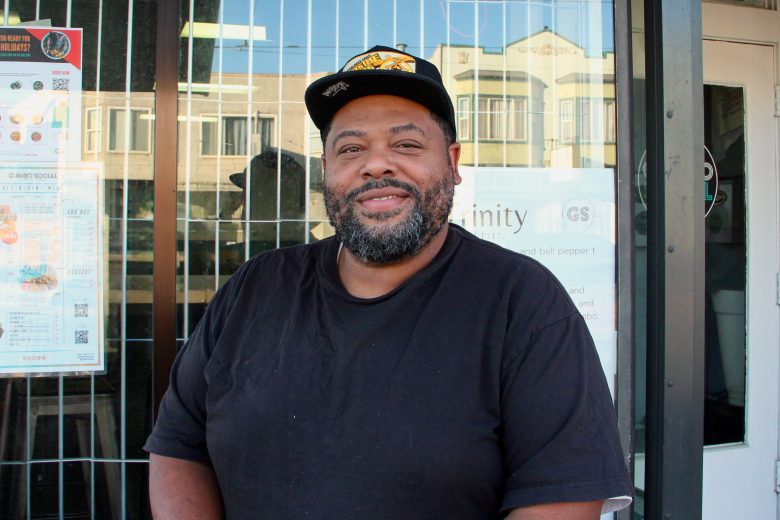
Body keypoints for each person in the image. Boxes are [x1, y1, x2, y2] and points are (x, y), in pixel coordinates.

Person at [145, 45, 633, 519]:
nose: (376, 164)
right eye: (351, 148)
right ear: (327, 171)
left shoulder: (522, 302)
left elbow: (563, 497)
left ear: (453, 162)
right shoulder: (256, 288)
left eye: (406, 145)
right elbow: (178, 448)